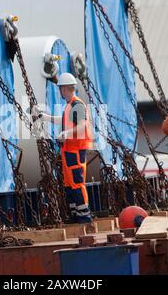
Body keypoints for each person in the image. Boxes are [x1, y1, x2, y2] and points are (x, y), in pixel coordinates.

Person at [32, 73, 94, 223]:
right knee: (69, 183)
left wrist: (67, 133)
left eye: (60, 89)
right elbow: (64, 120)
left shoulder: (77, 104)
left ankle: (84, 215)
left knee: (77, 182)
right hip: (68, 150)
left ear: (65, 89)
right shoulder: (69, 105)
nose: (59, 91)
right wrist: (46, 117)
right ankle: (75, 213)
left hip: (76, 150)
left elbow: (82, 125)